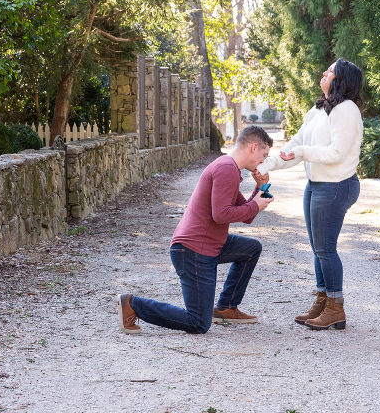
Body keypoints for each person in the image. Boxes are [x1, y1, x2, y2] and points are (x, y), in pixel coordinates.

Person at [117, 125, 274, 334]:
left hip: (209, 245)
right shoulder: (226, 168)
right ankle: (133, 304)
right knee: (198, 323)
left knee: (251, 248)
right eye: (264, 155)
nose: (263, 161)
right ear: (253, 147)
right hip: (193, 251)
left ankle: (226, 307)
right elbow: (221, 215)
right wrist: (255, 204)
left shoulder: (229, 167)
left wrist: (259, 189)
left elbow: (246, 216)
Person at [254, 58, 363, 330]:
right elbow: (295, 146)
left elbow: (336, 153)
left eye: (331, 71)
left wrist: (301, 153)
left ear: (341, 80)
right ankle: (323, 300)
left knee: (326, 248)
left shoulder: (347, 110)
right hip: (316, 185)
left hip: (337, 185)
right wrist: (266, 166)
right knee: (317, 249)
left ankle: (336, 308)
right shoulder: (317, 111)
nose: (324, 73)